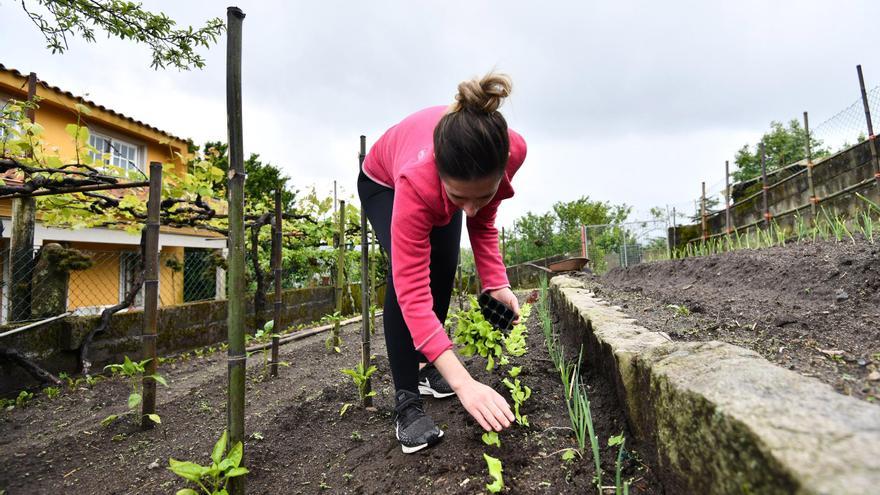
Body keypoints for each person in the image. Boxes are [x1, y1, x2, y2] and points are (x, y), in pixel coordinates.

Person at [358, 72, 527, 454]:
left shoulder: (508, 151)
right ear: (441, 179)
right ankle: (407, 402)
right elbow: (413, 294)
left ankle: (426, 368)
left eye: (480, 195)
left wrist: (496, 283)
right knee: (408, 280)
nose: (468, 209)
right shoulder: (417, 183)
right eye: (458, 197)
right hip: (383, 183)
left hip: (443, 180)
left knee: (444, 269)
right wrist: (466, 383)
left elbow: (482, 219)